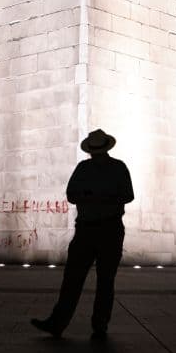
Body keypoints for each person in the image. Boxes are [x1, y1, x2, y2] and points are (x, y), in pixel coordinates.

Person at [31, 129, 134, 339]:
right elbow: (72, 195)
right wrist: (102, 197)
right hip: (99, 230)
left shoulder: (103, 168)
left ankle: (73, 324)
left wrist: (96, 197)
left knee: (92, 280)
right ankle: (91, 325)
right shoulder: (109, 168)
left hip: (100, 229)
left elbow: (127, 195)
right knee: (81, 279)